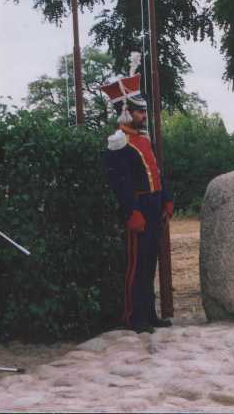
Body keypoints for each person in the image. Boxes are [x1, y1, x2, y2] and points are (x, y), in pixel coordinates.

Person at [101, 71, 174, 334]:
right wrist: (131, 212)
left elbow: (157, 172)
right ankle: (134, 316)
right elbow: (121, 183)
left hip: (154, 207)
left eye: (144, 111)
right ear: (126, 112)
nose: (144, 116)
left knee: (151, 261)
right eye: (139, 112)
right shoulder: (118, 143)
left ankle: (150, 314)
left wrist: (166, 199)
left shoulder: (143, 139)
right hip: (139, 209)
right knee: (137, 264)